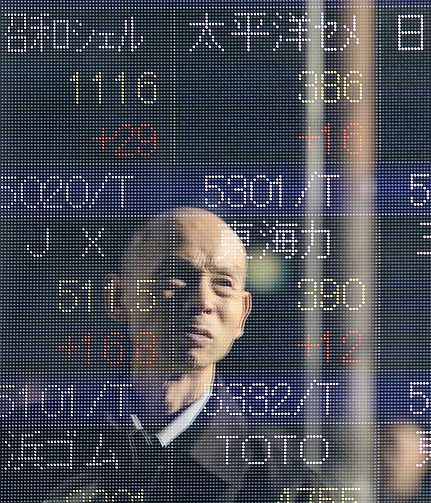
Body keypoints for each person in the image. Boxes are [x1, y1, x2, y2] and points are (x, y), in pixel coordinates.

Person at [41, 207, 317, 502]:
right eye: (175, 276)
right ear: (119, 297)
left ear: (243, 315)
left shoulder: (287, 485)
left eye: (223, 284)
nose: (202, 301)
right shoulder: (33, 447)